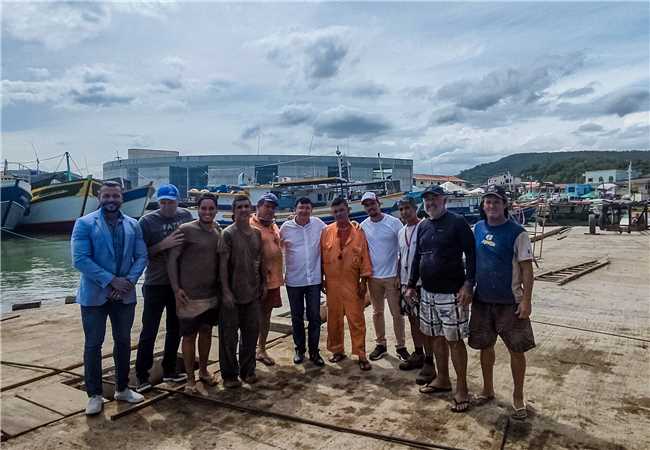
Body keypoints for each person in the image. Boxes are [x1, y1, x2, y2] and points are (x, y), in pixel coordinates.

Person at [71, 181, 148, 415]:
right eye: (107, 196)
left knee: (123, 341)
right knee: (93, 344)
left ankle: (122, 388)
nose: (111, 200)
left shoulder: (133, 225)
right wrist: (111, 281)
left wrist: (128, 282)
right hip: (94, 295)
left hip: (124, 295)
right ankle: (94, 394)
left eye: (115, 196)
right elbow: (80, 259)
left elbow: (141, 256)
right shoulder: (84, 224)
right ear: (99, 197)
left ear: (121, 198)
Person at [405, 185, 475, 413]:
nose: (430, 203)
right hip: (427, 293)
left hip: (452, 293)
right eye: (427, 200)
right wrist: (410, 284)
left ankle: (462, 387)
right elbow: (417, 258)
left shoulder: (458, 222)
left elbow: (472, 255)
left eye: (434, 199)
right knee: (435, 337)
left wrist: (468, 285)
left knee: (454, 340)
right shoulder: (424, 225)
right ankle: (443, 378)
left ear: (444, 200)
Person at [469, 185, 535, 420]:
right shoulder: (476, 228)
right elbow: (470, 263)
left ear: (505, 204)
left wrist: (526, 301)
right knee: (485, 347)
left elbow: (527, 270)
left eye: (496, 201)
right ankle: (487, 390)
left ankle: (518, 397)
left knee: (516, 350)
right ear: (483, 205)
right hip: (482, 300)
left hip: (510, 303)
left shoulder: (518, 233)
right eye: (487, 201)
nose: (491, 205)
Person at [135, 184, 192, 392]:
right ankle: (142, 375)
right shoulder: (147, 222)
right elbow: (139, 254)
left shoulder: (185, 216)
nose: (167, 206)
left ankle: (170, 369)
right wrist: (163, 245)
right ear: (158, 203)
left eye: (171, 202)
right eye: (163, 202)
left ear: (178, 202)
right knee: (149, 330)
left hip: (178, 284)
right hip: (155, 283)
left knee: (175, 328)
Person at [167, 194, 222, 395]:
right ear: (197, 210)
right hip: (188, 296)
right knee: (189, 336)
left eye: (211, 209)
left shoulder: (218, 230)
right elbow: (172, 260)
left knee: (206, 332)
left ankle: (204, 371)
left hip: (210, 295)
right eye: (203, 208)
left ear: (216, 210)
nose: (207, 212)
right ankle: (190, 378)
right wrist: (176, 289)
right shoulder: (186, 230)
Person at [218, 195, 265, 388]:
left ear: (251, 208)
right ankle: (229, 375)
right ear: (234, 211)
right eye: (239, 207)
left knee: (251, 334)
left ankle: (248, 371)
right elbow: (222, 266)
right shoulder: (227, 234)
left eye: (246, 206)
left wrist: (263, 283)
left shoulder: (256, 234)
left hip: (252, 293)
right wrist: (226, 291)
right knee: (229, 337)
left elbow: (259, 260)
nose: (244, 210)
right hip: (232, 294)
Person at [321, 197, 373, 371]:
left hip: (352, 282)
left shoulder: (359, 232)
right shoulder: (326, 231)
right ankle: (337, 350)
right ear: (332, 213)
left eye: (342, 210)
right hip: (332, 283)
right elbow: (320, 257)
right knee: (333, 319)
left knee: (356, 319)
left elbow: (365, 257)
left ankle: (361, 353)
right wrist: (322, 278)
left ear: (348, 210)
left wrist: (363, 282)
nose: (339, 214)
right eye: (335, 211)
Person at [360, 192, 410, 362]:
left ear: (378, 203)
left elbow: (402, 249)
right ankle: (381, 344)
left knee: (397, 314)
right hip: (373, 278)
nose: (370, 207)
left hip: (392, 276)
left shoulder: (394, 222)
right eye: (366, 205)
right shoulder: (363, 226)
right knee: (377, 312)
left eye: (372, 203)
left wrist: (399, 274)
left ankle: (401, 346)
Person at [280, 197, 327, 366]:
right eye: (301, 208)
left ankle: (314, 351)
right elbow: (275, 248)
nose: (304, 211)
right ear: (295, 209)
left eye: (307, 208)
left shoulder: (319, 224)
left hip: (313, 280)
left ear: (311, 210)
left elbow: (332, 234)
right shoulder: (286, 228)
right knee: (296, 317)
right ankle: (300, 349)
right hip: (294, 280)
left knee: (315, 317)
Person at [249, 193, 284, 367]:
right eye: (267, 206)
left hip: (274, 281)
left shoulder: (273, 226)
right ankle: (248, 352)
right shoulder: (249, 225)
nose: (270, 210)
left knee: (266, 316)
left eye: (273, 207)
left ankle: (261, 349)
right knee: (251, 318)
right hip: (256, 283)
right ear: (258, 206)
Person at [395, 196, 428, 376]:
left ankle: (430, 357)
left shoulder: (424, 227)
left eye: (407, 208)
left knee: (426, 321)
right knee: (412, 319)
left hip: (422, 283)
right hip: (406, 283)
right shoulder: (401, 231)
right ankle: (419, 352)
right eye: (401, 209)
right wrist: (398, 277)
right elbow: (401, 256)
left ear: (415, 208)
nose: (404, 212)